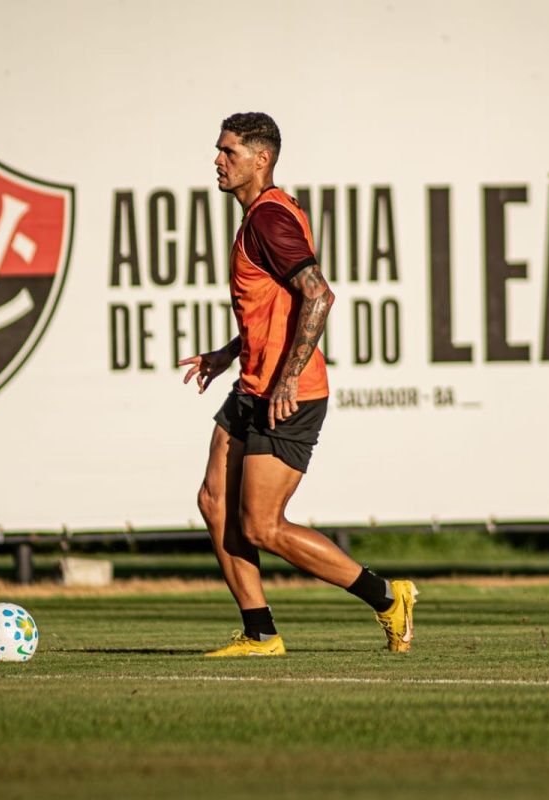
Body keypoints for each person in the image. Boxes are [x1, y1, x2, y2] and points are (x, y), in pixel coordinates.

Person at [178, 112, 417, 656]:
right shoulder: (262, 215)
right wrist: (227, 353)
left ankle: (387, 596)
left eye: (229, 152)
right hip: (252, 387)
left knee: (262, 527)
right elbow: (276, 309)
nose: (217, 160)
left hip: (289, 394)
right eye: (219, 150)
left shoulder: (268, 219)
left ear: (261, 159)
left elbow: (319, 294)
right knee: (214, 501)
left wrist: (286, 379)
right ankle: (260, 633)